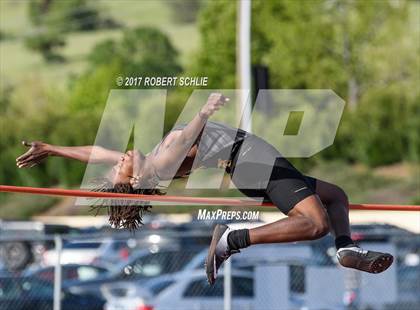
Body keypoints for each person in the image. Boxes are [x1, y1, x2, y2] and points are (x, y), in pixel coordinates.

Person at [15, 93, 393, 283]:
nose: (118, 160)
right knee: (314, 223)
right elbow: (184, 142)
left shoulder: (146, 162)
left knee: (334, 196)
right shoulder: (158, 165)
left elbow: (94, 152)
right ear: (133, 181)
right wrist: (204, 112)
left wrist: (51, 149)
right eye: (119, 168)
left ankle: (346, 250)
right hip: (254, 162)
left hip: (249, 165)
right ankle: (232, 238)